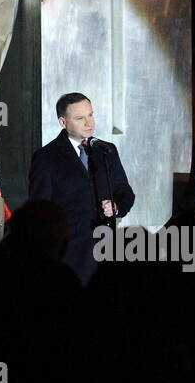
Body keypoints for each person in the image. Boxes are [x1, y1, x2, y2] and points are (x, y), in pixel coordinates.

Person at [28, 91, 135, 285]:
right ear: (63, 121)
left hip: (106, 252)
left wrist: (116, 206)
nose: (89, 123)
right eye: (80, 118)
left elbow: (125, 193)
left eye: (91, 115)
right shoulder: (46, 157)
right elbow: (40, 211)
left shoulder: (106, 151)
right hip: (70, 257)